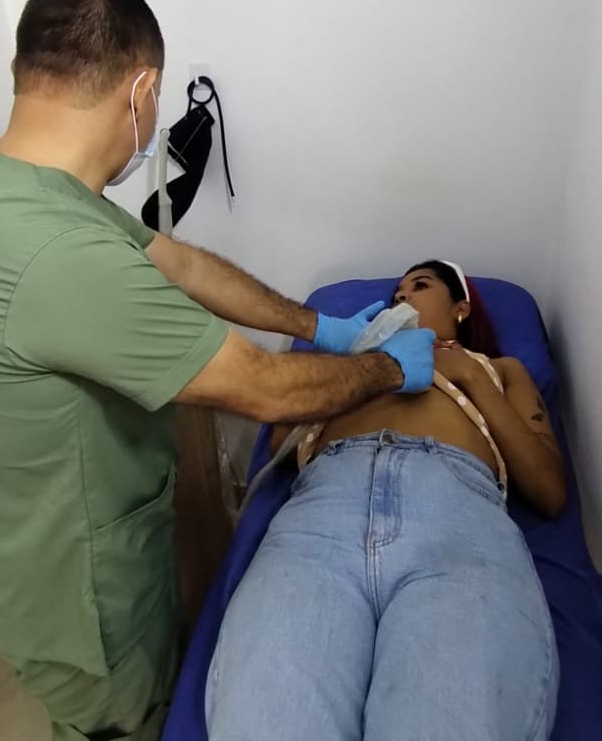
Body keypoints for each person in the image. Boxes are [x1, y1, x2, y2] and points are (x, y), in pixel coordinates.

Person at [0, 0, 436, 741]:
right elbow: (264, 390)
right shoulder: (56, 252)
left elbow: (178, 264)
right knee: (127, 726)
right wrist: (390, 366)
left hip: (24, 556)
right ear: (143, 90)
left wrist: (319, 324)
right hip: (80, 600)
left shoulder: (2, 182)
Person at [205, 260, 565, 741]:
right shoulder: (356, 363)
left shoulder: (498, 369)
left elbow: (549, 490)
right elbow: (278, 444)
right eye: (398, 291)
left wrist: (470, 376)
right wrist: (358, 365)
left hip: (454, 521)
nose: (402, 296)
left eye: (420, 285)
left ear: (460, 309)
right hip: (323, 512)